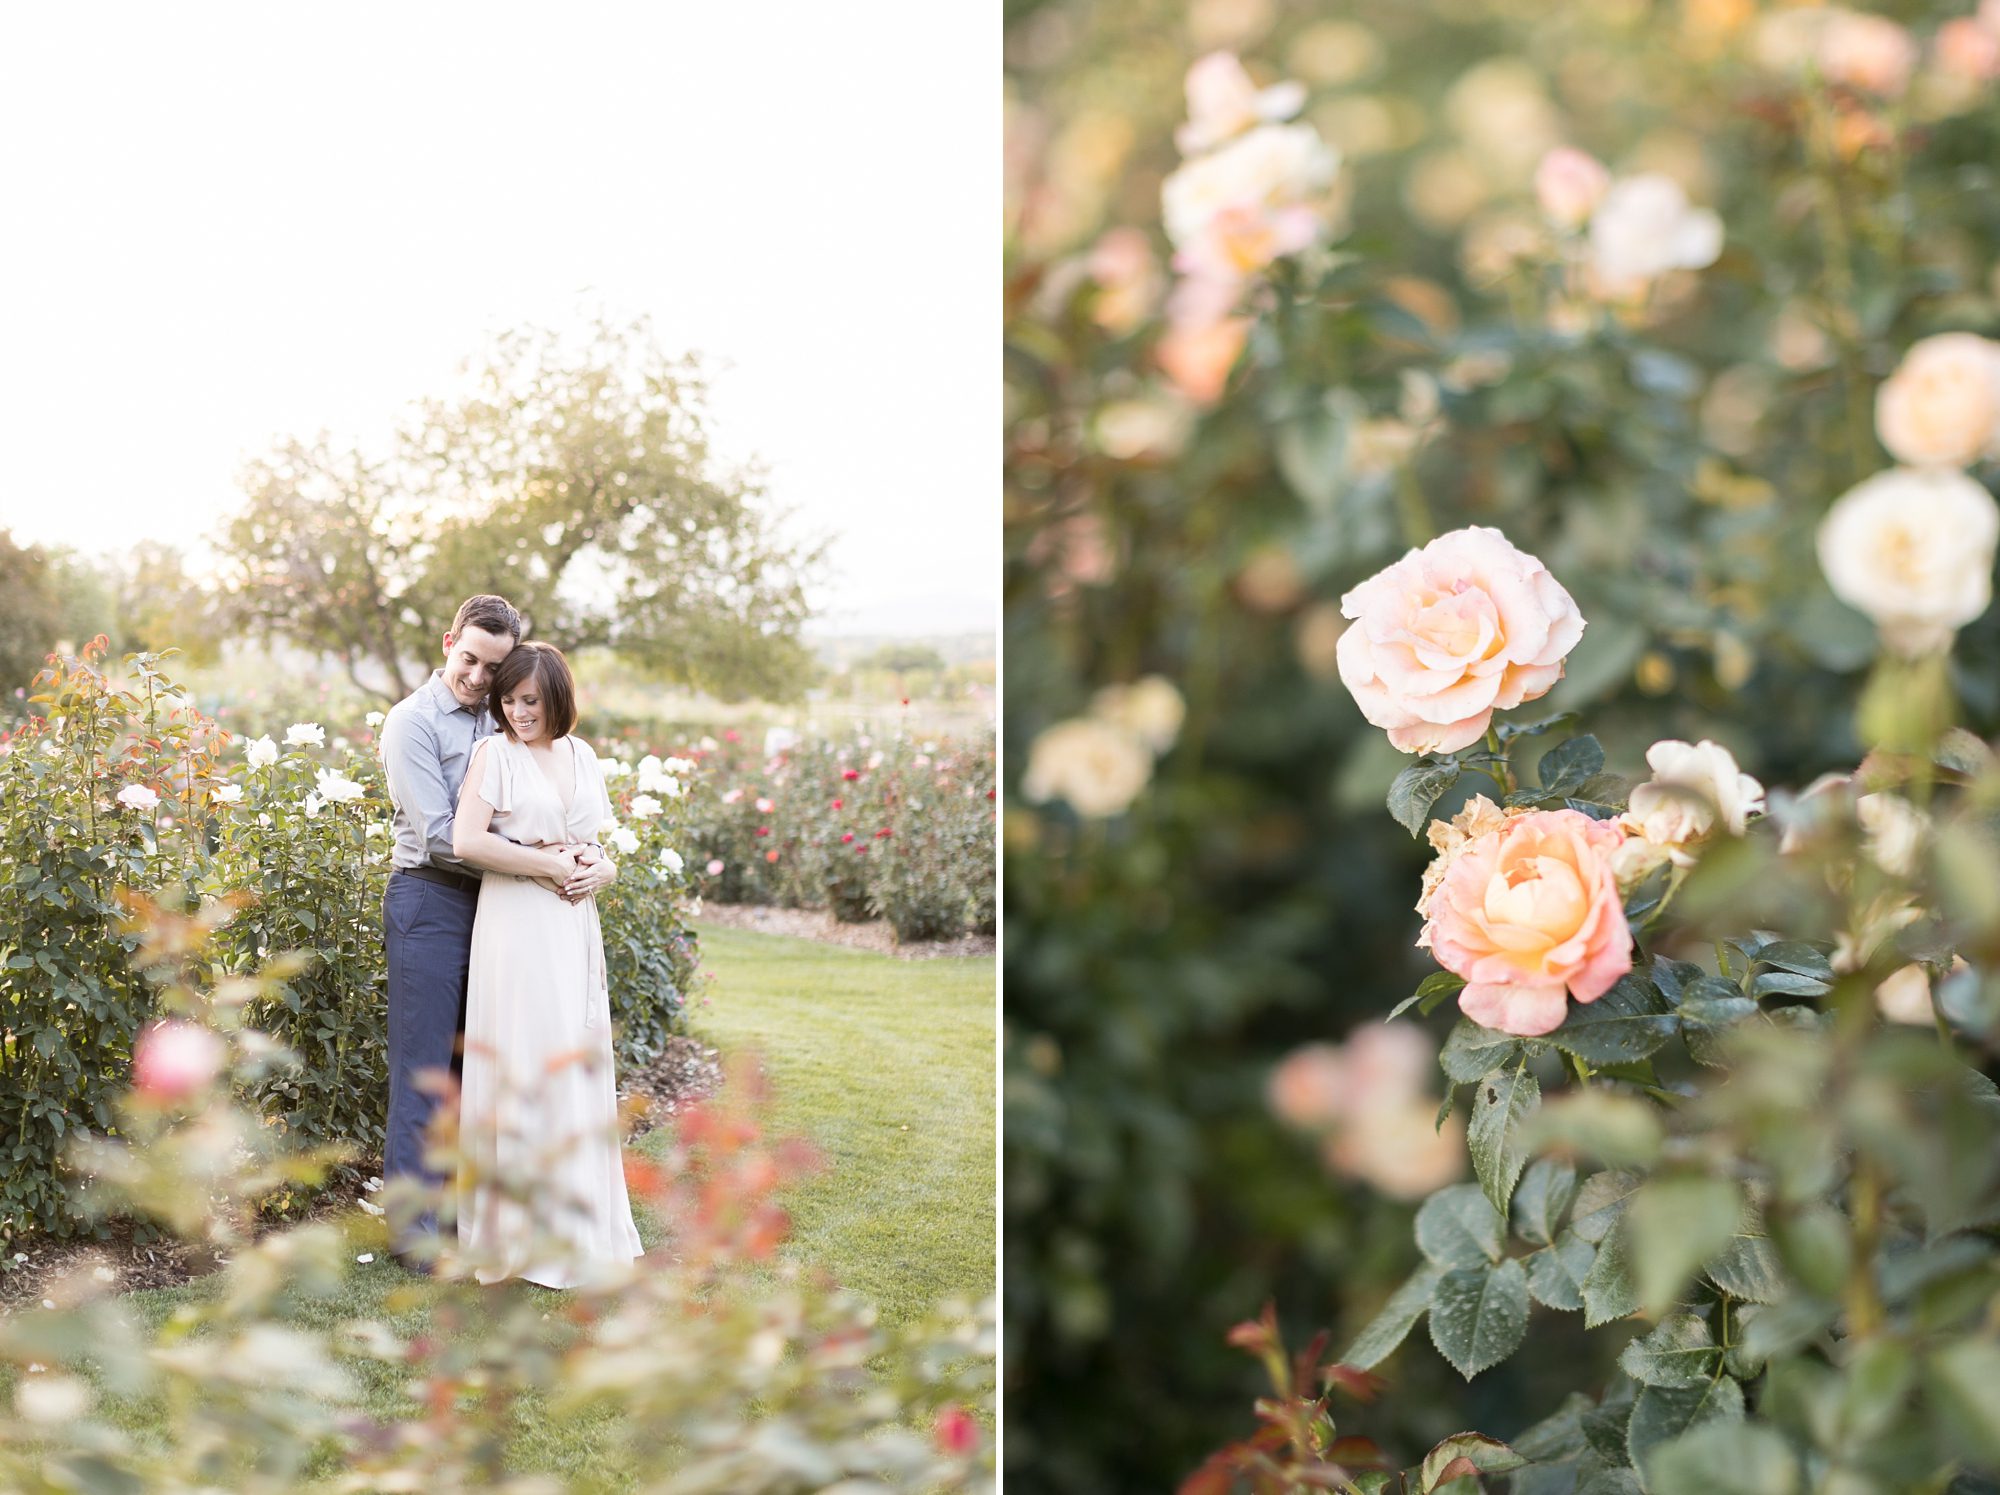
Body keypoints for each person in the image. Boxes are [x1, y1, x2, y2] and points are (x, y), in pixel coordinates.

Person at [378, 596, 613, 1270]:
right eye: (469, 660)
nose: (480, 678)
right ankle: (415, 1237)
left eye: (494, 667)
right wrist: (546, 860)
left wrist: (581, 858)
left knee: (474, 1068)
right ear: (448, 641)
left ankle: (466, 1216)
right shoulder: (412, 724)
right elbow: (445, 836)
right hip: (430, 898)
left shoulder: (503, 714)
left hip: (500, 906)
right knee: (425, 1070)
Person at [450, 640, 643, 1286]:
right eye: (508, 701)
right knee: (528, 1058)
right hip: (518, 924)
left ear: (556, 694)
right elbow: (467, 838)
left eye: (528, 699)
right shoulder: (494, 754)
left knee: (575, 1062)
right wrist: (548, 865)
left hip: (572, 926)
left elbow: (596, 844)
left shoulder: (582, 755)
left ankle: (579, 1230)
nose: (517, 712)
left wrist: (601, 869)